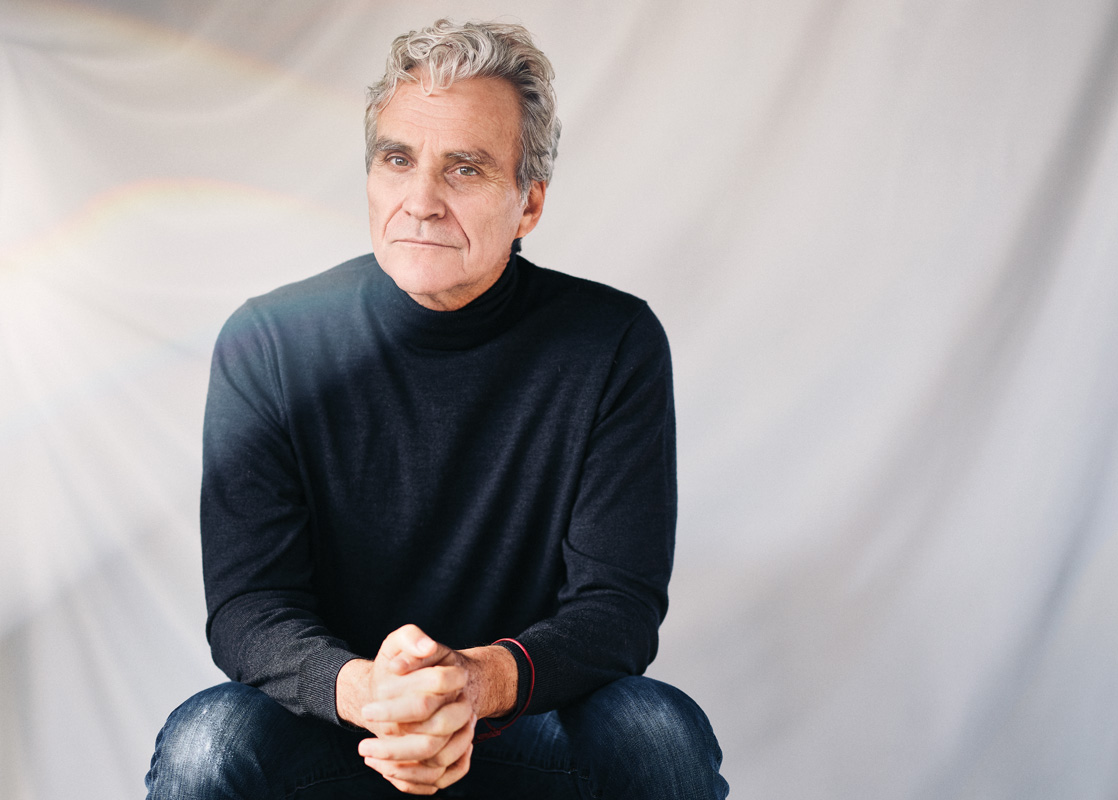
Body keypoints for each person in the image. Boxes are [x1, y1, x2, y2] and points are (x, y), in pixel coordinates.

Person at [146, 18, 727, 799]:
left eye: (465, 168)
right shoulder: (270, 341)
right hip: (340, 723)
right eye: (397, 160)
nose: (420, 201)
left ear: (529, 204)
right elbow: (249, 605)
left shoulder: (612, 342)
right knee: (206, 744)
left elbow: (617, 608)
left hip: (523, 721)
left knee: (657, 733)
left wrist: (473, 684)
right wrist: (371, 694)